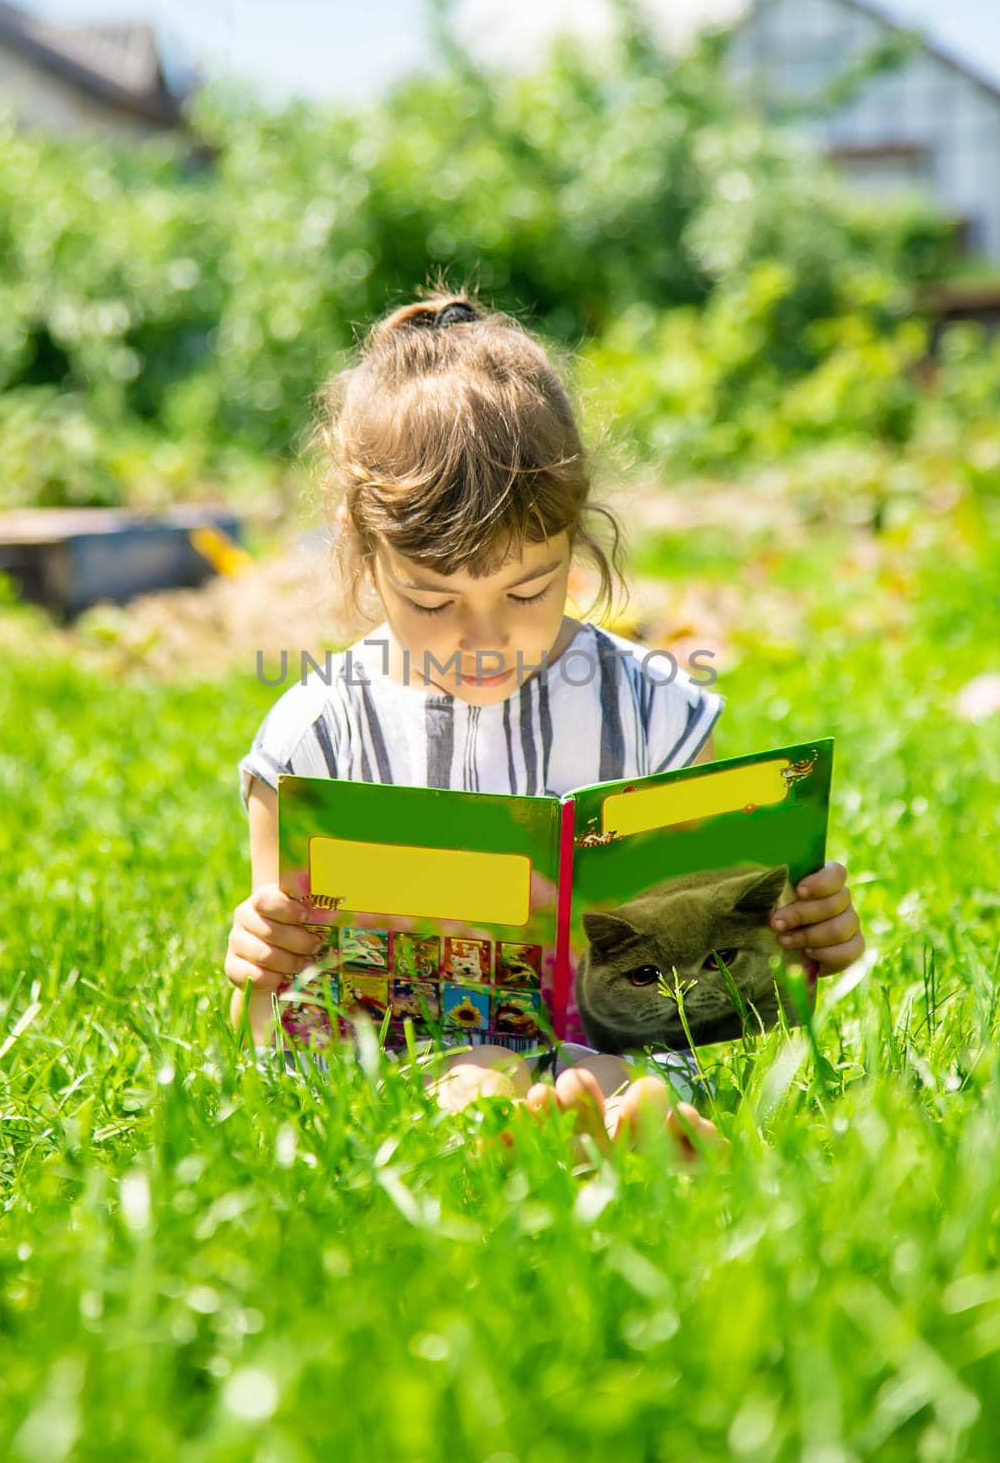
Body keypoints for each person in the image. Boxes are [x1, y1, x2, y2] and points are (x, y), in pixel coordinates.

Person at [226, 290, 865, 1156]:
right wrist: (258, 967)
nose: (483, 640)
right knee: (478, 1068)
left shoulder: (653, 710)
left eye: (528, 591)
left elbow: (713, 991)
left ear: (577, 537)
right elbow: (277, 1024)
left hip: (619, 1043)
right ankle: (518, 1133)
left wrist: (807, 944)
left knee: (605, 1071)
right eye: (432, 599)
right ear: (362, 552)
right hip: (409, 1066)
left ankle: (619, 1132)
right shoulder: (318, 736)